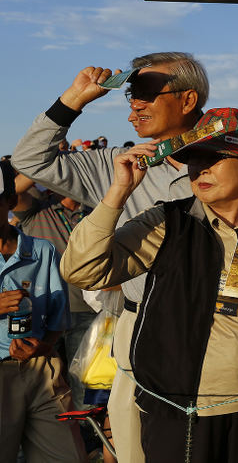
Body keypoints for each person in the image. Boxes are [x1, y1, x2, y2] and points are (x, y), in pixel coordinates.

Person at [12, 52, 208, 463]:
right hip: (142, 325)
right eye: (131, 96)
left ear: (188, 101)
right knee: (136, 444)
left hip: (220, 326)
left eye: (149, 95)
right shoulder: (119, 163)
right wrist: (74, 99)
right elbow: (29, 161)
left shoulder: (232, 161)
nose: (135, 106)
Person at [61, 109, 238, 463]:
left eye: (214, 157)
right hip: (177, 409)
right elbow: (82, 271)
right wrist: (117, 192)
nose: (200, 168)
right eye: (194, 158)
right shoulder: (166, 222)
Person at [0, 159, 87, 462]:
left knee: (66, 454)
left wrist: (45, 345)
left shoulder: (40, 250)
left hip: (41, 371)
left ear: (10, 202)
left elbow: (58, 315)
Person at [12, 173, 94, 411]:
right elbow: (15, 191)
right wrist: (46, 163)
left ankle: (87, 438)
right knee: (44, 382)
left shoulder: (93, 211)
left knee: (84, 380)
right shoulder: (36, 209)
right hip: (42, 312)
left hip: (85, 310)